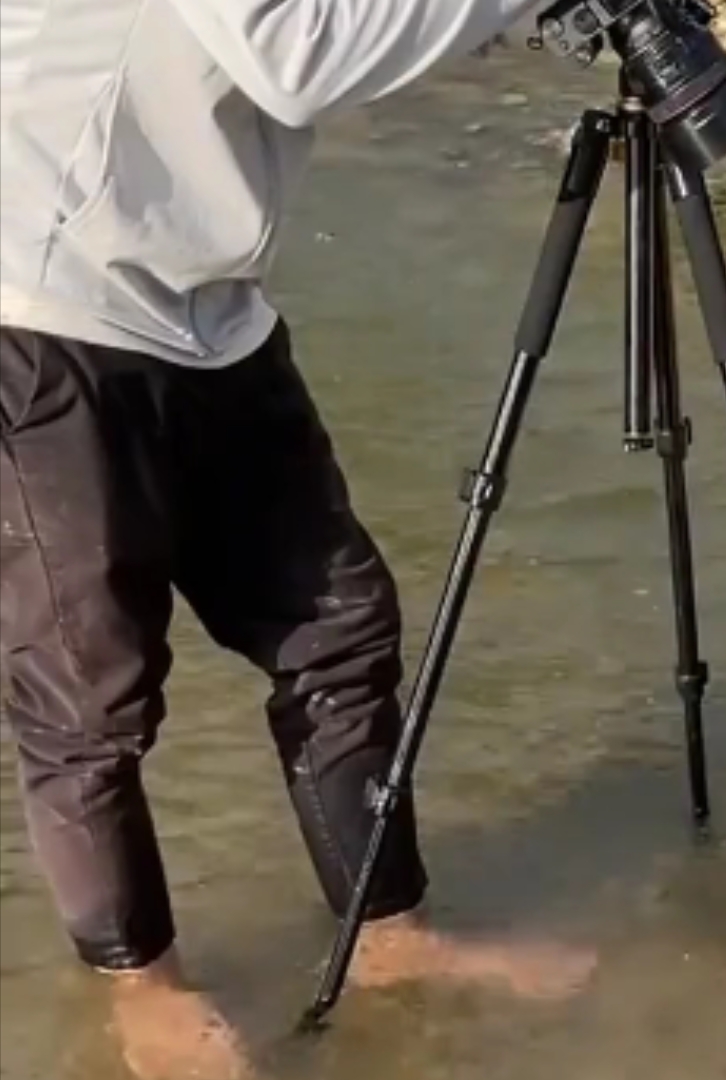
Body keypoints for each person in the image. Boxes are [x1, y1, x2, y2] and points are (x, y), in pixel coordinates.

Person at [0, 3, 596, 1078]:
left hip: (209, 305)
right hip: (42, 304)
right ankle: (143, 989)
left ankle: (389, 934)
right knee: (89, 691)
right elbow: (294, 55)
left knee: (338, 625)